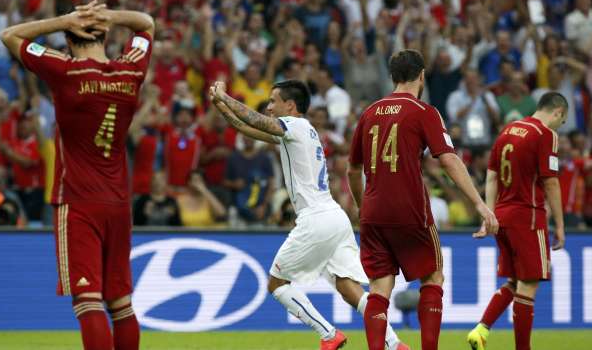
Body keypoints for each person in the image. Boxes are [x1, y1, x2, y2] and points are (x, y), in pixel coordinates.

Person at [0, 0, 154, 350]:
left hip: (78, 202)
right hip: (118, 203)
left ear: (68, 40)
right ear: (106, 35)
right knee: (120, 301)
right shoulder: (130, 70)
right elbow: (146, 25)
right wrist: (110, 16)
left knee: (88, 299)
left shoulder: (65, 70)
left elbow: (10, 35)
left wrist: (64, 20)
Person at [210, 79, 408, 350]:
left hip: (315, 218)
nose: (268, 107)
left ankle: (328, 334)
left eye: (272, 101)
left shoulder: (295, 125)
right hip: (334, 218)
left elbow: (255, 120)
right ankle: (393, 343)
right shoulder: (303, 131)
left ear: (290, 105)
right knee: (348, 287)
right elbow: (243, 127)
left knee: (277, 284)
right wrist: (219, 104)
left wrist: (225, 95)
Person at [346, 49, 498, 350]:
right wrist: (480, 204)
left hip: (373, 211)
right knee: (432, 277)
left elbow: (353, 169)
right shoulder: (423, 112)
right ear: (422, 75)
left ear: (392, 77)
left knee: (379, 287)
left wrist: (363, 207)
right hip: (410, 209)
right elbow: (448, 159)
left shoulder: (369, 112)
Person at [467, 92, 568, 350]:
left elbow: (491, 175)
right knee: (529, 285)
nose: (560, 126)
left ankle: (481, 330)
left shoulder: (508, 131)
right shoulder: (546, 135)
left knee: (515, 281)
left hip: (503, 217)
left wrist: (489, 215)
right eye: (562, 120)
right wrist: (560, 224)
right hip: (528, 217)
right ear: (557, 112)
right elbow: (551, 181)